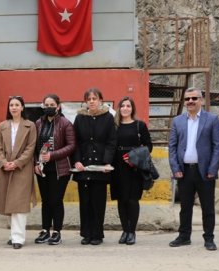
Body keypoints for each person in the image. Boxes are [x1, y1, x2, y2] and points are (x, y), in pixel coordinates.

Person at [168, 87, 219, 251]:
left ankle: (209, 238)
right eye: (187, 99)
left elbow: (217, 147)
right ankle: (184, 236)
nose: (190, 101)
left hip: (205, 171)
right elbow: (172, 147)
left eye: (194, 98)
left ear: (201, 100)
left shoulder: (212, 119)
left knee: (208, 207)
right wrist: (175, 167)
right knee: (185, 207)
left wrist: (213, 169)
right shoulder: (177, 121)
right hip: (184, 171)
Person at [72, 88, 117, 246]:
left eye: (94, 98)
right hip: (83, 166)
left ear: (101, 100)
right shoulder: (79, 118)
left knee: (98, 202)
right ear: (85, 102)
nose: (91, 101)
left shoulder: (108, 118)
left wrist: (106, 162)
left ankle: (97, 234)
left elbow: (112, 142)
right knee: (85, 202)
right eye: (88, 98)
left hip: (100, 167)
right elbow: (75, 142)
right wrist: (76, 161)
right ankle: (86, 234)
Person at [0, 96, 37, 249]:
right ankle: (12, 235)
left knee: (19, 204)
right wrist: (4, 163)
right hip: (5, 169)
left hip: (22, 169)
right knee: (8, 203)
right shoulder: (2, 125)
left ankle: (18, 238)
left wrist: (17, 163)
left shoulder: (30, 126)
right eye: (11, 105)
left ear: (22, 107)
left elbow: (31, 148)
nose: (14, 107)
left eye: (17, 105)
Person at [33, 94, 76, 246]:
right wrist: (36, 163)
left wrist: (52, 155)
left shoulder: (65, 123)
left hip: (59, 168)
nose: (49, 107)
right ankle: (45, 230)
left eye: (52, 104)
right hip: (42, 167)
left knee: (56, 200)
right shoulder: (38, 123)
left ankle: (56, 231)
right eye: (46, 105)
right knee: (45, 201)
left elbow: (71, 146)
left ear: (58, 106)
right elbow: (34, 146)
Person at [111, 96, 152, 245]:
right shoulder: (114, 126)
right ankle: (124, 231)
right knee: (121, 200)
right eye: (123, 106)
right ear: (119, 108)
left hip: (135, 168)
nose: (125, 108)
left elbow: (149, 146)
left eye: (128, 106)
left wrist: (133, 158)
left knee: (132, 200)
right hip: (118, 167)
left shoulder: (139, 125)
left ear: (132, 109)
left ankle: (132, 232)